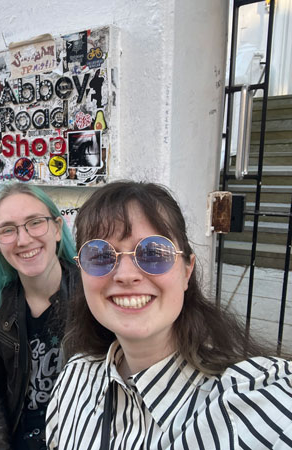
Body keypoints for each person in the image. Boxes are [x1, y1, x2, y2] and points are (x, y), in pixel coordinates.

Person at [46, 181, 292, 449]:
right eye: (101, 255)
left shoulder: (254, 402)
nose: (126, 275)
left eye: (153, 252)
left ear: (187, 271)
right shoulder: (73, 380)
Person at [0, 183, 78, 450]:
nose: (24, 239)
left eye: (35, 222)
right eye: (8, 230)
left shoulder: (92, 295)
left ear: (57, 228)